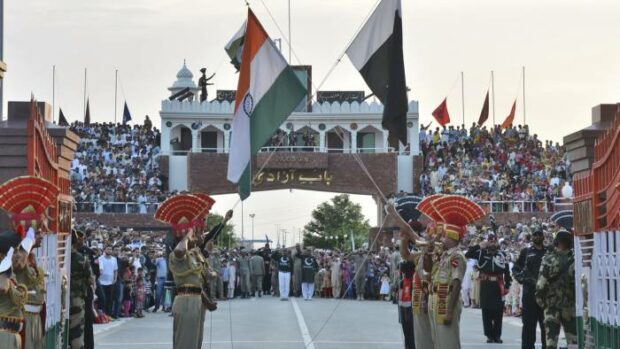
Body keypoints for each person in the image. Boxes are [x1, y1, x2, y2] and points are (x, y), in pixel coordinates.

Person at [466, 232, 512, 343]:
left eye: (494, 240)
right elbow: (468, 254)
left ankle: (497, 335)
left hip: (498, 285)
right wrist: (479, 246)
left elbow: (506, 271)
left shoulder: (502, 254)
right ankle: (489, 335)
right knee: (486, 311)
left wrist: (507, 285)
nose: (492, 242)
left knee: (498, 311)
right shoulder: (481, 252)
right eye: (490, 240)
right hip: (486, 284)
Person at [535, 230, 577, 349]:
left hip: (551, 306)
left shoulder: (548, 259)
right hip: (570, 305)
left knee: (551, 341)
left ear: (556, 242)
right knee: (573, 341)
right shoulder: (575, 260)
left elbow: (541, 284)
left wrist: (542, 303)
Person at [168, 228, 208, 349]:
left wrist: (208, 302)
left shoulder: (195, 255)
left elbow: (197, 284)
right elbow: (180, 250)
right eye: (196, 234)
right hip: (186, 300)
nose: (200, 236)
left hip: (197, 300)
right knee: (186, 341)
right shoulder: (178, 255)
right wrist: (189, 231)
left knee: (196, 341)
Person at [513, 229, 548, 349]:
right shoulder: (526, 252)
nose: (537, 237)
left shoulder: (549, 252)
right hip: (529, 294)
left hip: (545, 295)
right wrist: (522, 279)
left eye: (540, 235)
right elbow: (516, 268)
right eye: (535, 235)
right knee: (528, 326)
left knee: (546, 326)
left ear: (543, 237)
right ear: (532, 237)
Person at [13, 228, 46, 349]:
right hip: (26, 316)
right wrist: (27, 241)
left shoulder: (31, 257)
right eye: (37, 233)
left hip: (36, 317)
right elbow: (18, 264)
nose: (41, 236)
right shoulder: (20, 255)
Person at [0, 231, 27, 349]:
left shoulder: (9, 270)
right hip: (3, 334)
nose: (18, 255)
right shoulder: (3, 269)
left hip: (11, 334)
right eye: (15, 251)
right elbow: (2, 287)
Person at [69, 229, 95, 349]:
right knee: (77, 329)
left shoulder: (61, 258)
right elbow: (90, 279)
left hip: (61, 297)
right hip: (77, 297)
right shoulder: (82, 259)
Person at [396, 261, 415, 349]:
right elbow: (399, 299)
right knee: (406, 335)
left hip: (411, 313)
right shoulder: (401, 282)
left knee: (412, 335)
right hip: (403, 312)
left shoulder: (414, 282)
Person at [97, 246, 118, 316]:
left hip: (111, 282)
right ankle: (103, 314)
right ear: (104, 250)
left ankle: (108, 315)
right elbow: (99, 269)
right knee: (103, 299)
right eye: (108, 249)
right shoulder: (100, 258)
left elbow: (115, 270)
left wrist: (115, 278)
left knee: (110, 299)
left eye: (110, 249)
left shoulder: (114, 259)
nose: (109, 250)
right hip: (101, 282)